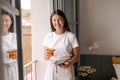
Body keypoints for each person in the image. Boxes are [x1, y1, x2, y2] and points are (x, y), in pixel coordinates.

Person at [42, 9, 79, 80]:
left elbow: (76, 55)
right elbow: (45, 57)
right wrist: (47, 56)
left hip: (66, 68)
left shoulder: (71, 36)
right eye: (54, 20)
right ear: (51, 22)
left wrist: (70, 62)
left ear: (64, 20)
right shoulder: (48, 36)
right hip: (51, 68)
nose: (57, 23)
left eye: (59, 20)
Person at [0, 11, 18, 80]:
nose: (4, 23)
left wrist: (18, 55)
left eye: (7, 20)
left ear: (11, 22)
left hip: (14, 69)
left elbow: (21, 53)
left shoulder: (15, 36)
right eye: (1, 20)